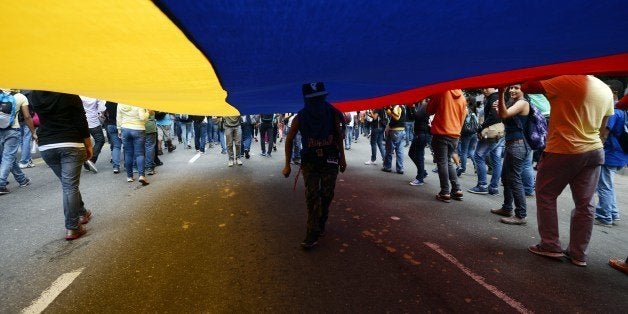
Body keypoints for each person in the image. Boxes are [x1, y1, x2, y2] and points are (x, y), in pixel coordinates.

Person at [523, 75, 614, 267]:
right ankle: (578, 254)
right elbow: (603, 129)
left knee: (546, 194)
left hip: (564, 148)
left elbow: (528, 86)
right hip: (594, 150)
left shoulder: (565, 80)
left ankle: (550, 245)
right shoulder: (605, 88)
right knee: (586, 204)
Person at [283, 82, 346, 250]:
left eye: (320, 98)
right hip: (310, 162)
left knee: (327, 195)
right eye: (313, 99)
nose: (317, 102)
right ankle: (312, 231)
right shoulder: (300, 117)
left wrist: (343, 158)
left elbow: (338, 135)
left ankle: (322, 220)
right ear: (306, 100)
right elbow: (289, 139)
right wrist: (287, 165)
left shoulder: (332, 114)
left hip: (330, 160)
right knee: (312, 196)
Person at [30, 91, 92, 240]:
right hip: (70, 141)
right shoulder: (68, 93)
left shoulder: (34, 95)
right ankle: (73, 227)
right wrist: (89, 145)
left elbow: (34, 118)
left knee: (67, 184)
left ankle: (82, 212)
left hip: (46, 146)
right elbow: (80, 120)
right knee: (70, 186)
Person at [490, 84, 532, 225]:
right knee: (506, 177)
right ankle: (507, 208)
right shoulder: (514, 103)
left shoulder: (522, 103)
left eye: (517, 88)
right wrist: (498, 107)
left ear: (523, 90)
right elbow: (503, 118)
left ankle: (521, 215)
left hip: (518, 144)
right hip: (512, 143)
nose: (512, 90)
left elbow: (505, 114)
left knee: (514, 179)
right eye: (511, 88)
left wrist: (501, 92)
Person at [594, 80, 628, 226]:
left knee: (604, 185)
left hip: (610, 154)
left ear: (613, 93)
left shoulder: (614, 111)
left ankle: (604, 216)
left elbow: (604, 134)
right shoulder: (624, 110)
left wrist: (597, 149)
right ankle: (613, 212)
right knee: (609, 184)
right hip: (620, 154)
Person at [425, 89, 467, 202]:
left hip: (441, 132)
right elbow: (463, 117)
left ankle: (445, 192)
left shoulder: (442, 92)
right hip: (455, 134)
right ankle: (457, 190)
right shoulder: (462, 97)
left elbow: (429, 110)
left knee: (442, 162)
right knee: (447, 161)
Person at [0, 89, 37, 195]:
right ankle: (1, 184)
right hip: (12, 130)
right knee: (8, 157)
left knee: (8, 157)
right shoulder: (21, 97)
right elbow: (27, 116)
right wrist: (33, 132)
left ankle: (22, 180)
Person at [468, 88, 504, 195]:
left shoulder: (494, 98)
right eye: (483, 88)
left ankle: (482, 185)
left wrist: (480, 128)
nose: (484, 90)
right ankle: (493, 187)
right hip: (501, 132)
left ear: (494, 87)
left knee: (478, 155)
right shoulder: (498, 97)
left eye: (487, 87)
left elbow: (493, 117)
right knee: (496, 159)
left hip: (491, 132)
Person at [117, 104, 150, 185]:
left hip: (125, 129)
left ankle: (129, 176)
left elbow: (119, 117)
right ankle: (141, 176)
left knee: (128, 154)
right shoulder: (137, 101)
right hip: (138, 129)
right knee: (140, 154)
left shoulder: (120, 102)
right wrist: (148, 112)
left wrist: (119, 129)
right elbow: (142, 118)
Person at [80, 96, 106, 172]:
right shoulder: (95, 94)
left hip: (82, 121)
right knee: (100, 140)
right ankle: (91, 159)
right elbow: (102, 108)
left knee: (84, 142)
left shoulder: (79, 95)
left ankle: (86, 162)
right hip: (93, 121)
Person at [407, 100, 431, 186]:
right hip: (420, 134)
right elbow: (413, 117)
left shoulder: (425, 105)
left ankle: (420, 178)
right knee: (414, 154)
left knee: (418, 156)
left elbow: (417, 117)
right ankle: (422, 172)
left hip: (421, 134)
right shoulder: (422, 105)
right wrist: (411, 108)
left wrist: (412, 108)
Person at [382, 104, 406, 174]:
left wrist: (390, 109)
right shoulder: (402, 106)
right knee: (399, 150)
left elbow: (397, 117)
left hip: (395, 130)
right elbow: (393, 115)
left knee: (389, 149)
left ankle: (387, 167)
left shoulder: (397, 106)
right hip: (401, 130)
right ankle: (400, 168)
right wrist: (387, 109)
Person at [103, 101, 122, 173]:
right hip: (121, 125)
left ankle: (116, 167)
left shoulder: (109, 101)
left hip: (111, 125)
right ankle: (128, 166)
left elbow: (104, 112)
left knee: (116, 147)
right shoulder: (122, 101)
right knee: (126, 147)